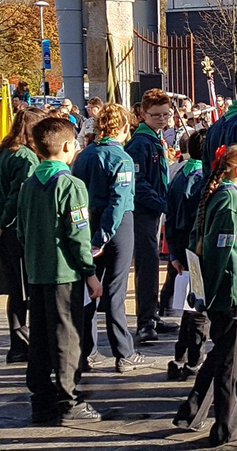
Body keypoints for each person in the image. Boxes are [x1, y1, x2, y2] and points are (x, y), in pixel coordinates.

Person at [173, 145, 237, 447]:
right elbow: (222, 250)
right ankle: (227, 426)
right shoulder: (230, 198)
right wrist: (208, 292)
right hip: (233, 290)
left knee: (221, 356)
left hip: (226, 290)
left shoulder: (219, 194)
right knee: (228, 363)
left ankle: (192, 411)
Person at [16, 117, 102, 425]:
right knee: (67, 337)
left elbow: (21, 231)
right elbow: (78, 235)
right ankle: (68, 400)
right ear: (68, 147)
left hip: (36, 271)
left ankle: (41, 400)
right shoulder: (70, 184)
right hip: (64, 274)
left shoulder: (28, 185)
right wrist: (89, 271)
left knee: (39, 337)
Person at [72, 104, 144, 373]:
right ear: (124, 128)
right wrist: (104, 236)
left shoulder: (84, 156)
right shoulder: (121, 159)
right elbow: (118, 201)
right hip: (116, 227)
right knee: (115, 290)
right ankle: (124, 352)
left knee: (90, 289)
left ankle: (88, 350)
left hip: (88, 222)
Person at [125, 87, 178, 343]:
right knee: (146, 267)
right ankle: (145, 322)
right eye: (156, 115)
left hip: (154, 210)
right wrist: (162, 203)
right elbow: (138, 182)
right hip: (144, 212)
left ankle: (153, 314)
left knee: (153, 263)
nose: (162, 119)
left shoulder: (156, 138)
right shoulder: (141, 143)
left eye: (165, 114)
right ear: (143, 114)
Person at [0, 106, 46, 364]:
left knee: (16, 292)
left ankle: (19, 342)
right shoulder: (26, 158)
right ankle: (23, 342)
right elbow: (20, 197)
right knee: (26, 290)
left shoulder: (6, 151)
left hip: (7, 231)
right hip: (18, 231)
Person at [165, 130, 210, 381]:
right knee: (198, 309)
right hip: (196, 249)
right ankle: (193, 359)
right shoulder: (202, 177)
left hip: (180, 248)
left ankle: (180, 354)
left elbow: (170, 216)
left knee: (188, 306)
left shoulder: (179, 172)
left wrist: (172, 250)